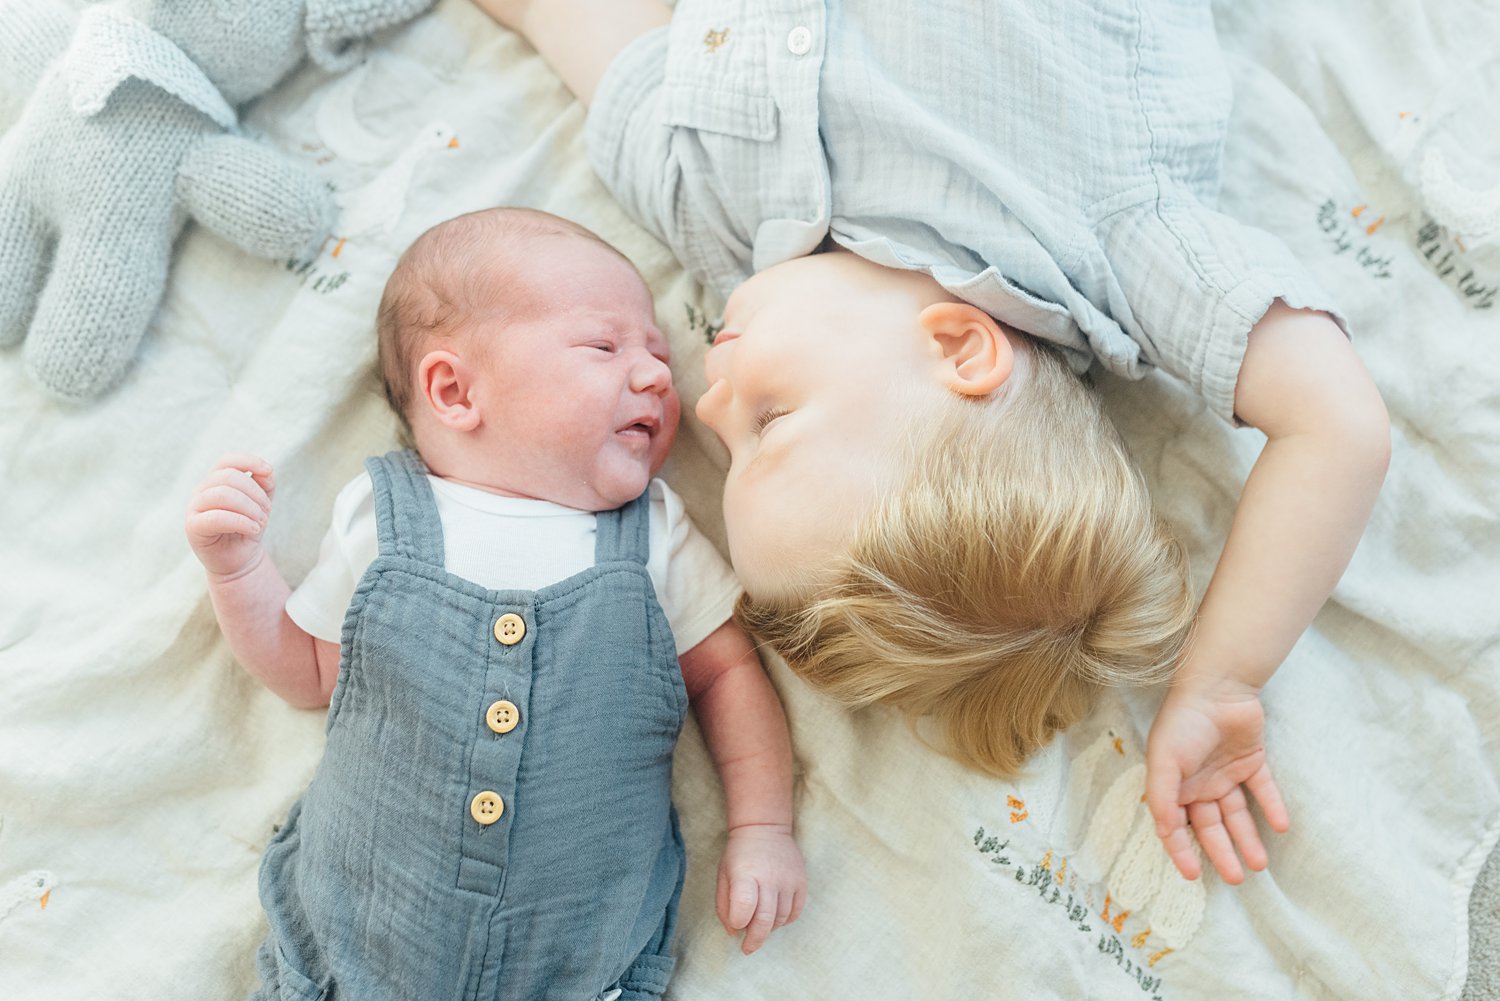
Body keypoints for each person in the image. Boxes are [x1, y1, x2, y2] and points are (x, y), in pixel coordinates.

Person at [473, 0, 1393, 888]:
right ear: (960, 347)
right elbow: (1337, 426)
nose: (706, 409)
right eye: (772, 423)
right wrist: (1221, 679)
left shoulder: (709, 203)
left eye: (728, 454)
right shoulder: (1114, 239)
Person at [184, 207, 806, 1001]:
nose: (656, 373)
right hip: (357, 943)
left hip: (581, 963)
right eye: (603, 346)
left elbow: (728, 676)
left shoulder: (652, 536)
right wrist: (236, 571)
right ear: (454, 389)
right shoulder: (385, 517)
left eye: (657, 350)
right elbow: (308, 671)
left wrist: (762, 829)